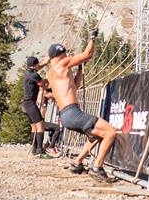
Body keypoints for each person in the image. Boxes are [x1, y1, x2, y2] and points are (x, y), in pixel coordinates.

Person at [47, 28, 117, 182]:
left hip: (66, 115)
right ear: (59, 56)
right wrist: (92, 38)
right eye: (65, 55)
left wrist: (80, 68)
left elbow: (75, 85)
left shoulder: (51, 73)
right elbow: (87, 54)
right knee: (110, 132)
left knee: (95, 135)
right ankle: (97, 167)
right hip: (73, 112)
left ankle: (77, 163)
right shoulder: (62, 63)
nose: (67, 57)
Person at [20, 56, 55, 158]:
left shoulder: (27, 72)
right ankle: (40, 150)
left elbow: (38, 67)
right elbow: (44, 85)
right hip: (31, 104)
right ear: (35, 65)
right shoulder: (35, 75)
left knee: (33, 126)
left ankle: (34, 149)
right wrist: (49, 77)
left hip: (25, 104)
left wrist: (45, 63)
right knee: (40, 126)